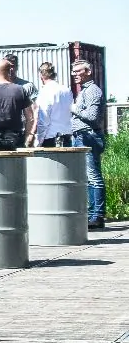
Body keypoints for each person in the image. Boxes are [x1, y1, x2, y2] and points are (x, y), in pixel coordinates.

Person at [70, 59, 106, 229]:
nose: (75, 74)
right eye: (74, 72)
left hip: (89, 136)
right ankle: (93, 214)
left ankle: (97, 216)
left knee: (94, 178)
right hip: (83, 136)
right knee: (89, 178)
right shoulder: (85, 90)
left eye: (78, 71)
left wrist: (74, 109)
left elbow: (92, 116)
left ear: (88, 72)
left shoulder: (92, 91)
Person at [33, 61, 74, 148]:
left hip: (50, 138)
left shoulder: (45, 91)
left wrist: (39, 141)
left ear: (41, 75)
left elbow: (43, 119)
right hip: (67, 137)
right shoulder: (66, 90)